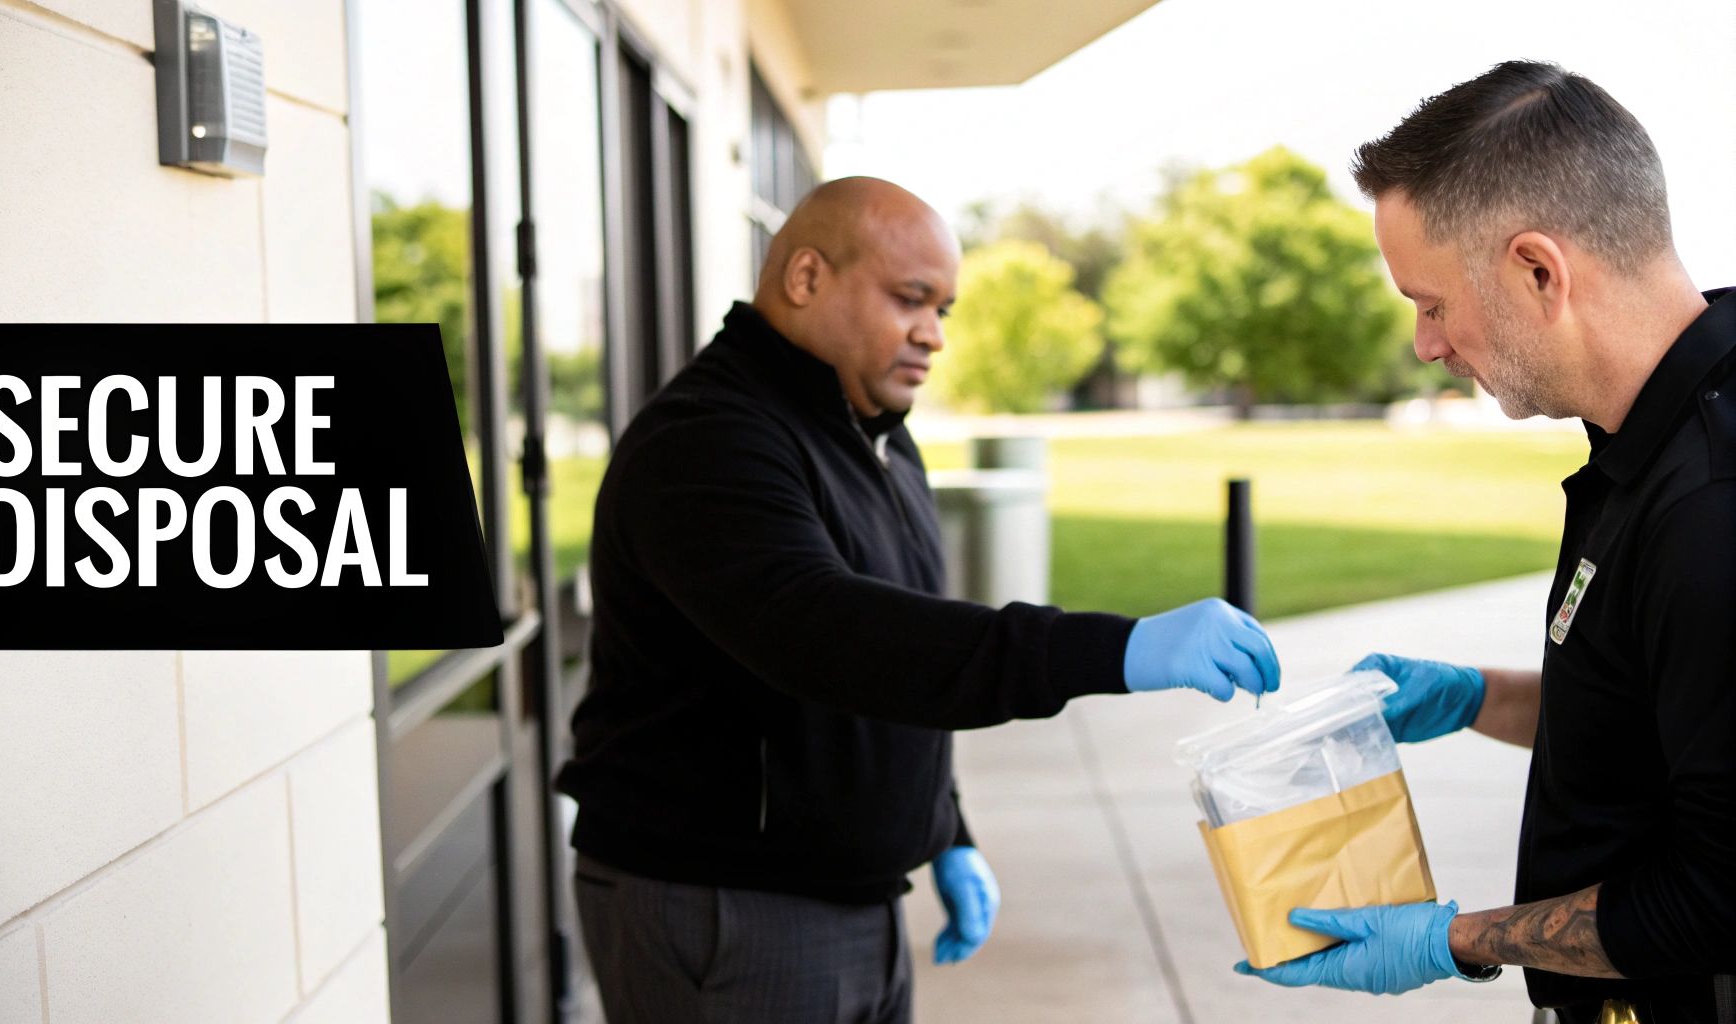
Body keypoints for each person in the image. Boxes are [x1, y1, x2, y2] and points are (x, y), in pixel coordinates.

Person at [555, 175, 1280, 1024]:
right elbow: (834, 637)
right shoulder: (709, 442)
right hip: (730, 906)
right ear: (805, 278)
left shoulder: (876, 439)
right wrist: (1113, 650)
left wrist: (946, 826)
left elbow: (908, 654)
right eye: (911, 299)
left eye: (945, 309)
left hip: (847, 890)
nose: (933, 335)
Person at [1236, 61, 1736, 1023]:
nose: (1426, 344)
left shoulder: (1710, 504)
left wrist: (1454, 939)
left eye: (1430, 303)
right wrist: (1477, 697)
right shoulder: (1648, 439)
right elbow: (1665, 721)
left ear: (1538, 271)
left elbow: (1719, 899)